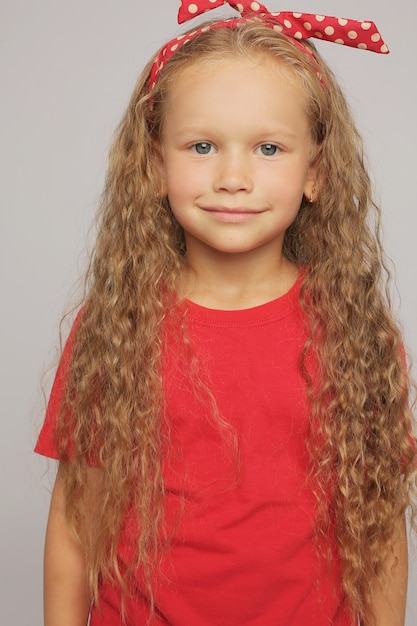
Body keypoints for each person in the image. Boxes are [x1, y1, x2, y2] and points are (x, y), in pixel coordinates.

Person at [35, 1, 416, 625]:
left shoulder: (356, 336)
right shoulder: (115, 329)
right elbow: (77, 525)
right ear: (156, 166)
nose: (233, 176)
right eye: (203, 146)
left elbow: (377, 531)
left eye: (268, 148)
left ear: (314, 171)